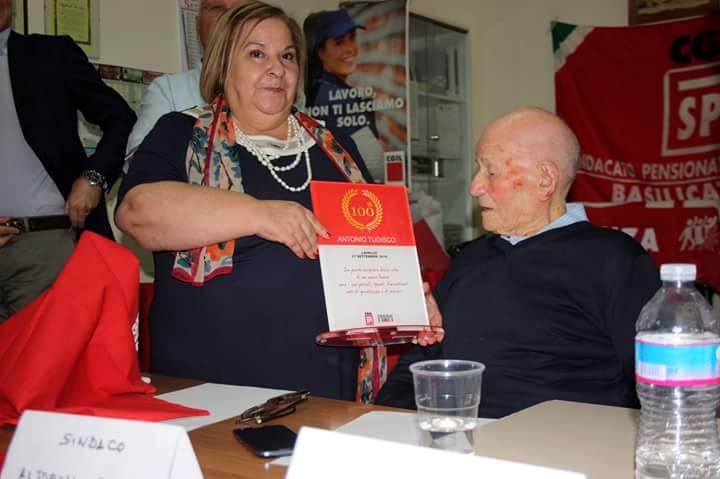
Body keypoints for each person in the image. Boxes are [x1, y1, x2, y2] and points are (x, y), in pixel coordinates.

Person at [117, 2, 381, 400]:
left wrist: (408, 298)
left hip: (327, 384)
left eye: (287, 56)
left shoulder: (335, 148)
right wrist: (260, 215)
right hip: (212, 383)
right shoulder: (181, 133)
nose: (276, 68)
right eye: (257, 54)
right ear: (223, 66)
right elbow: (139, 213)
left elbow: (376, 246)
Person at [376, 107, 661, 417]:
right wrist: (379, 424)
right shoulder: (470, 258)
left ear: (544, 179)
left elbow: (660, 386)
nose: (474, 187)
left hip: (556, 449)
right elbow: (418, 365)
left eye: (491, 171)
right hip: (452, 441)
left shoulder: (614, 259)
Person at [0, 0, 135, 322]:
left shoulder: (50, 55)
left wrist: (94, 178)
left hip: (42, 247)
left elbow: (122, 121)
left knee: (43, 366)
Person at [124, 0, 248, 168]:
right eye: (217, 8)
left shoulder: (284, 93)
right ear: (197, 27)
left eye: (241, 9)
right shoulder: (167, 91)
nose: (229, 16)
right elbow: (141, 165)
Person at [304, 9, 384, 181]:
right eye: (339, 43)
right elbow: (377, 165)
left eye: (352, 39)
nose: (349, 49)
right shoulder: (337, 95)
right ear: (319, 51)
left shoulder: (313, 91)